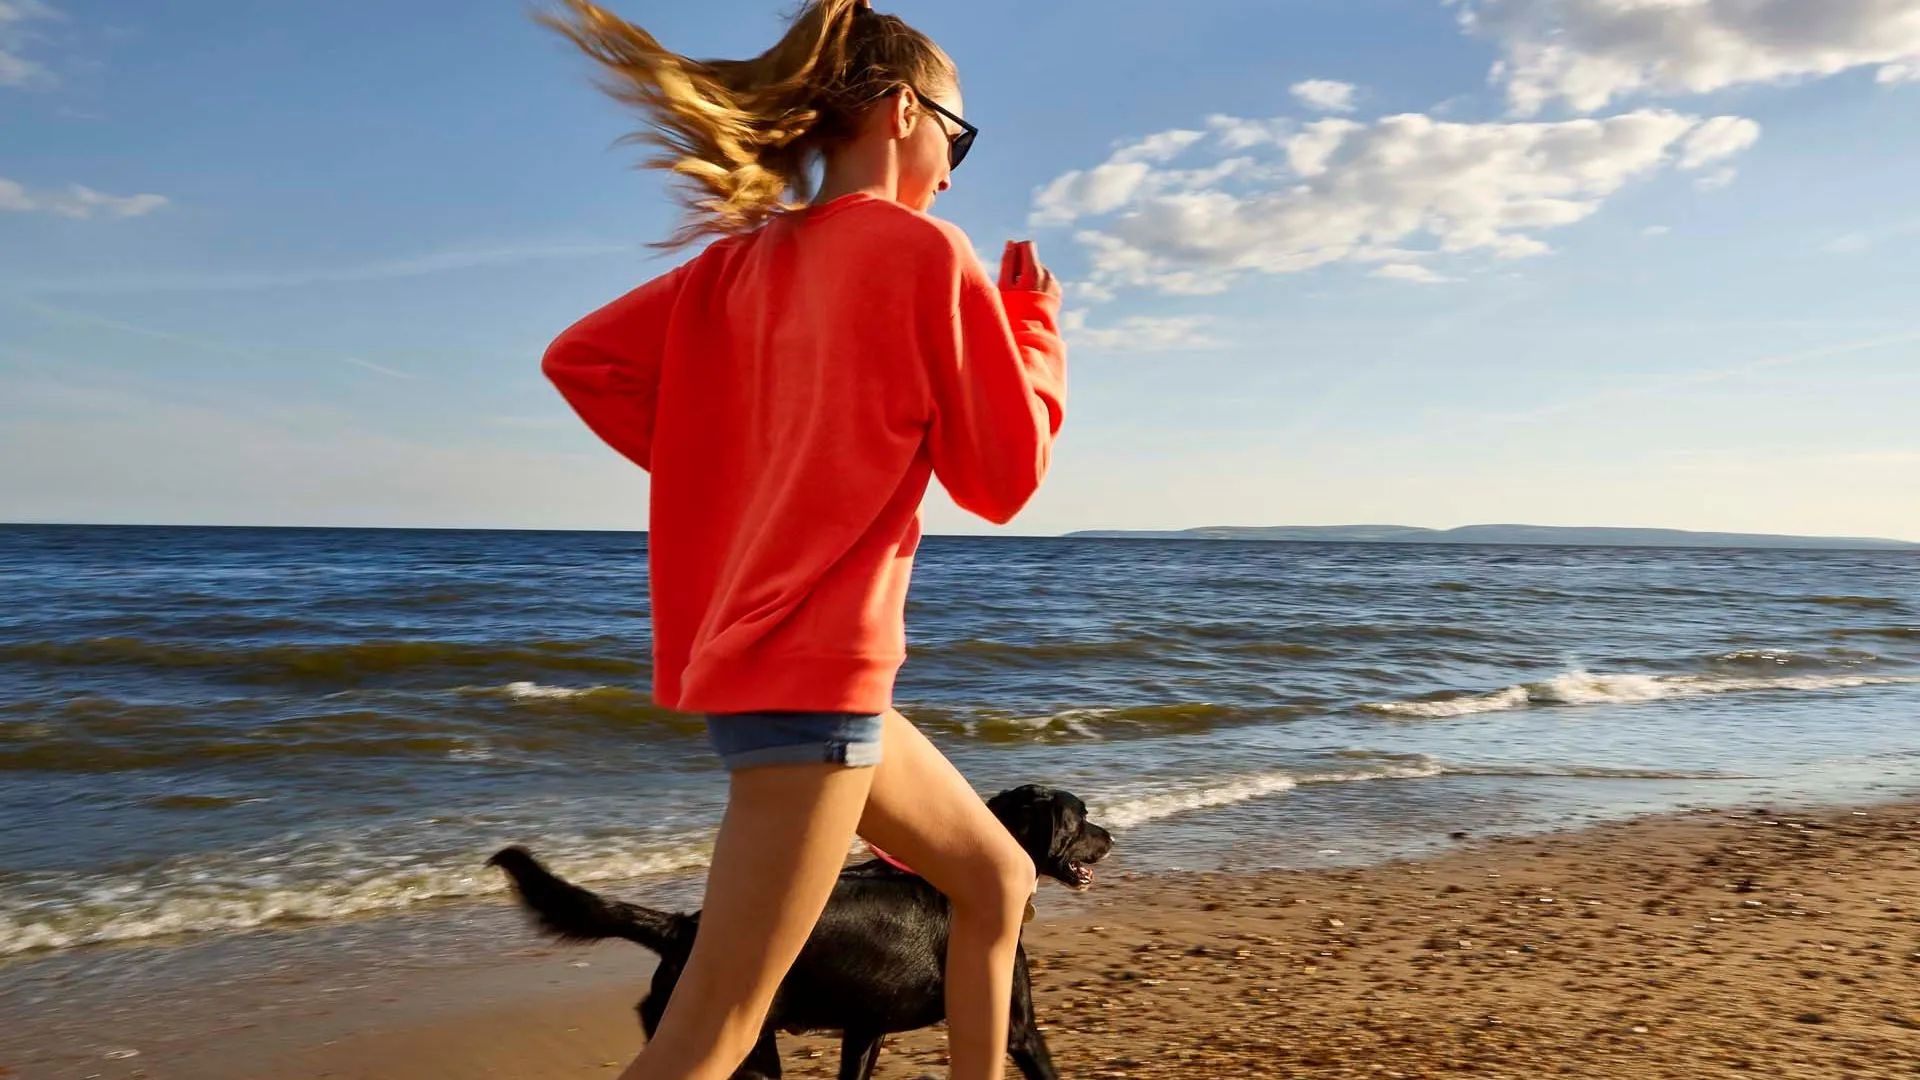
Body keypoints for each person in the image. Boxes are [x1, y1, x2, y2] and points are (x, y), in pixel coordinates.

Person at [537, 2, 1068, 1078]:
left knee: (998, 880)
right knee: (716, 1026)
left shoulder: (735, 267)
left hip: (804, 678)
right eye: (957, 141)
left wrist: (750, 470)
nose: (955, 174)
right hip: (815, 678)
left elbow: (579, 361)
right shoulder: (928, 251)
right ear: (905, 110)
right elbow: (1004, 479)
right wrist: (1035, 333)